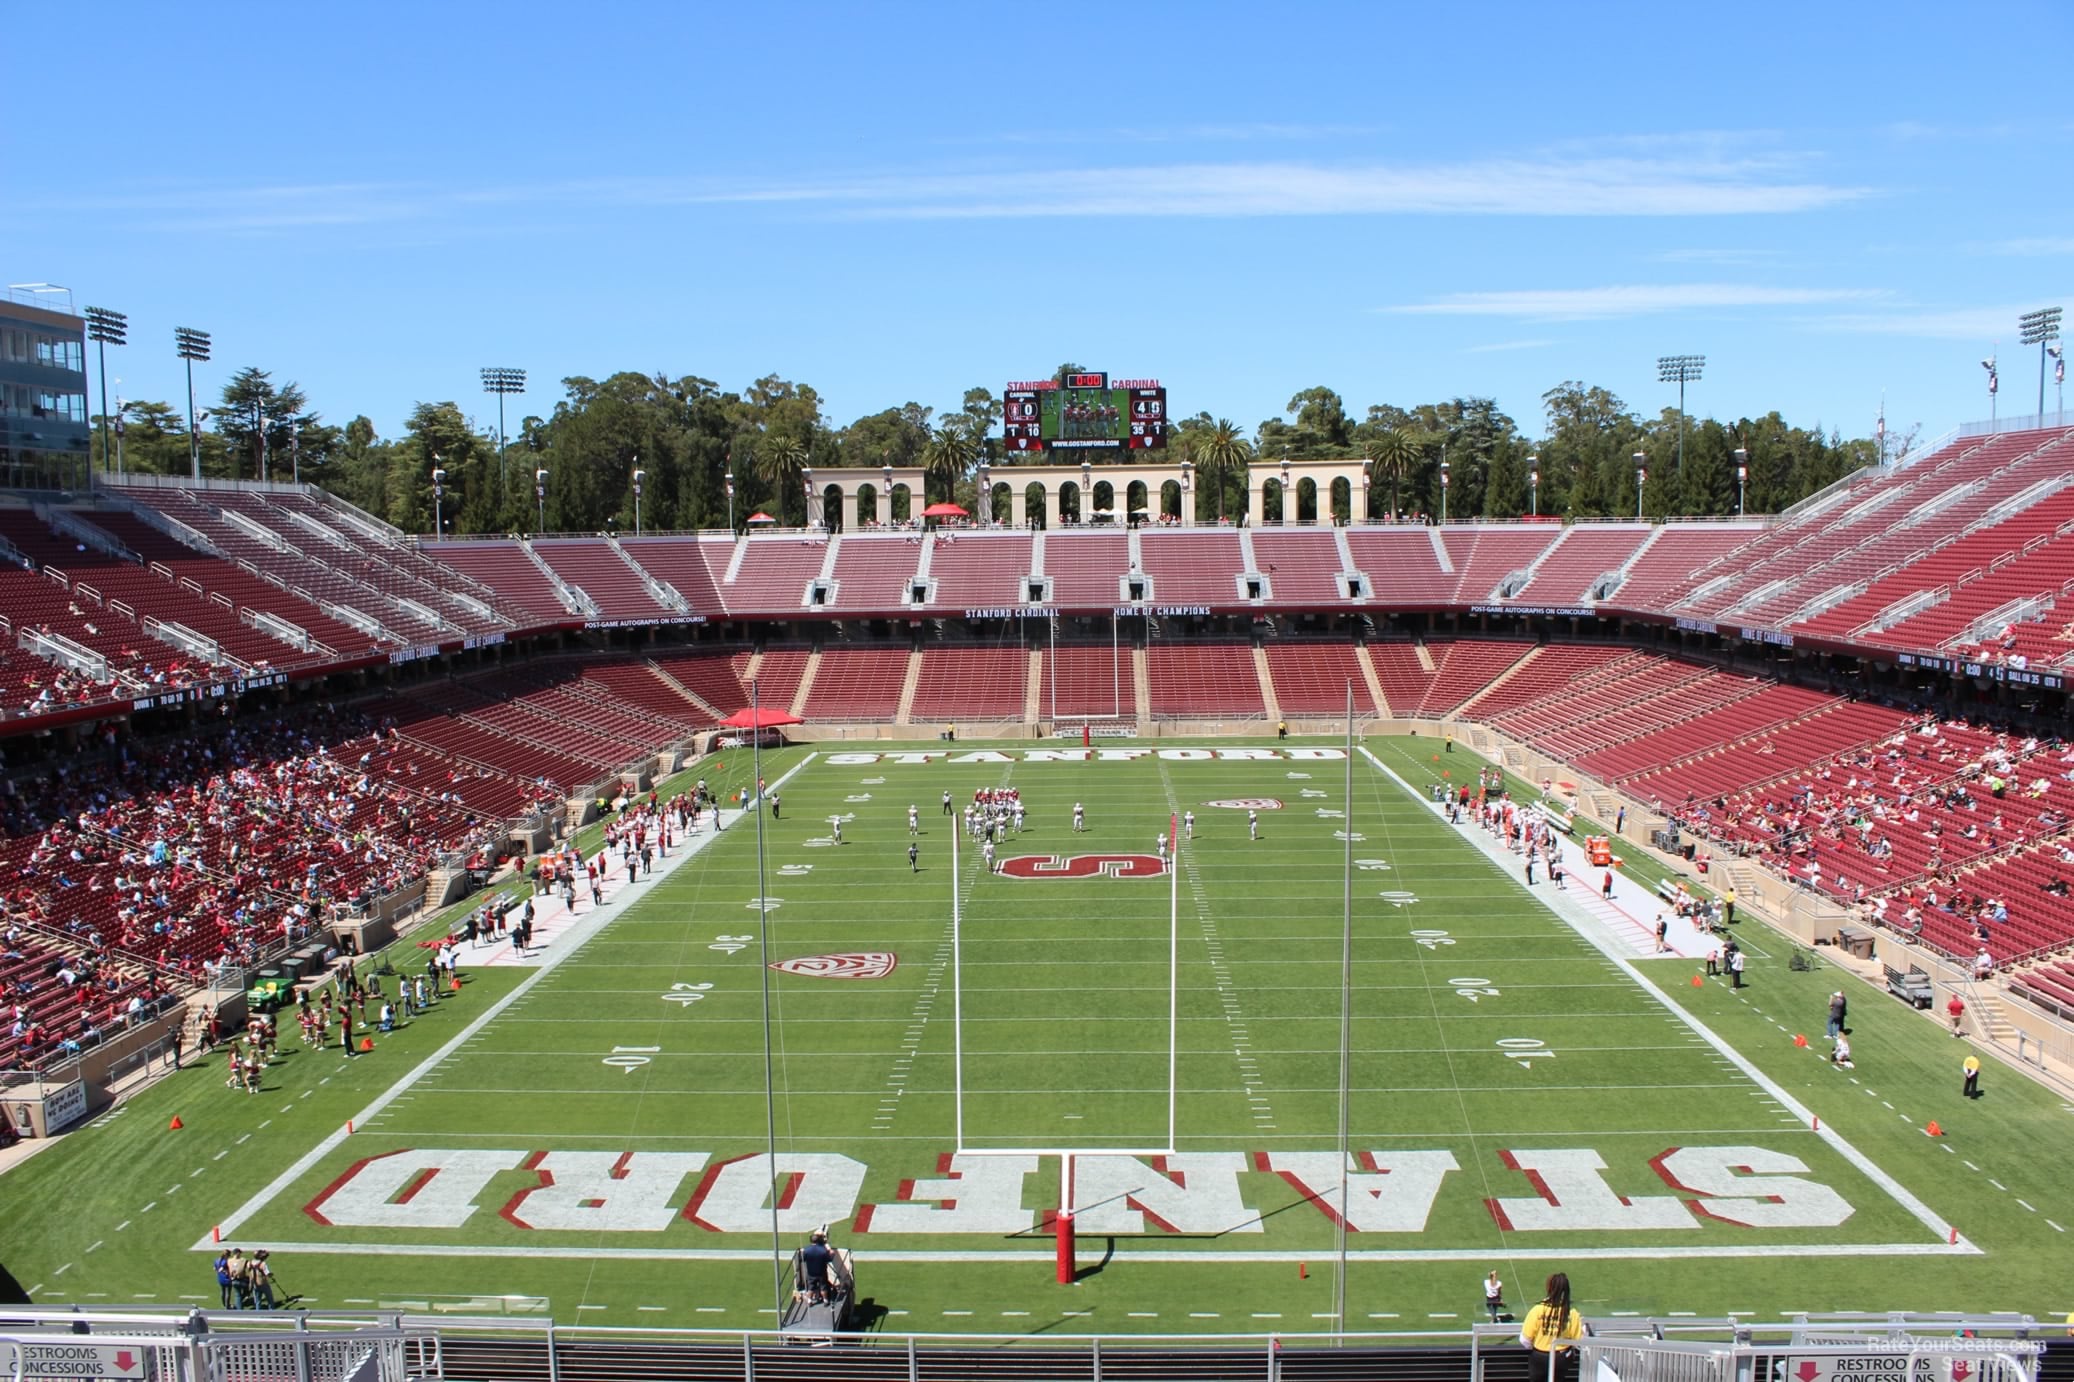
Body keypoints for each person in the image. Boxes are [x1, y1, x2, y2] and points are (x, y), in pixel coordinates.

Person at [1520, 1271, 1583, 1373]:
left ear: (1549, 1288)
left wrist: (1536, 1348)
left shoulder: (1537, 1310)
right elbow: (1579, 1341)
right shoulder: (1572, 1312)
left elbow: (1524, 1340)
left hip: (1540, 1356)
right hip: (1562, 1357)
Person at [800, 1230, 835, 1304]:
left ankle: (809, 1300)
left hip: (811, 1272)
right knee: (823, 1287)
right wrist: (831, 1252)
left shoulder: (806, 1250)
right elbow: (829, 1259)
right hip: (822, 1272)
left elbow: (802, 1259)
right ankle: (825, 1300)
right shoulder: (823, 1250)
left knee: (811, 1287)